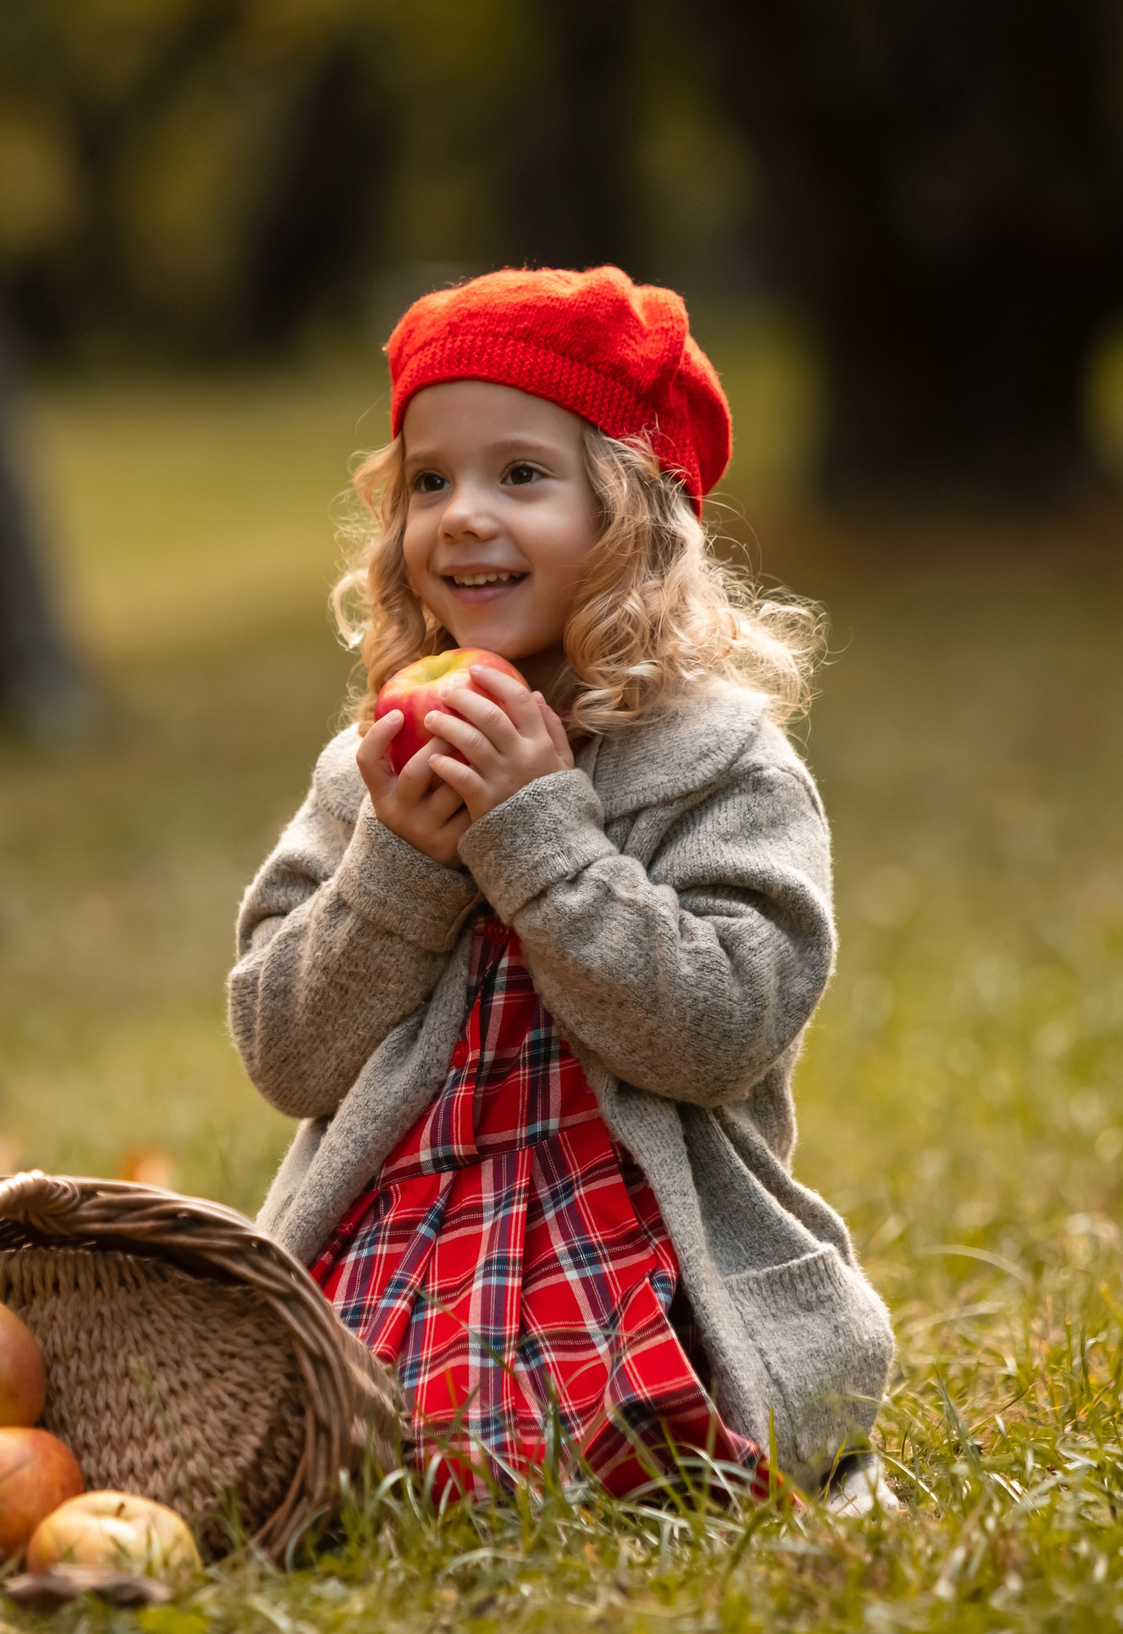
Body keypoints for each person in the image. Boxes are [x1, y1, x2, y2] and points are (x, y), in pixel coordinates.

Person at [227, 267, 893, 1500]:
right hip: (403, 1253)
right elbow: (286, 1054)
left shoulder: (723, 766)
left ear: (632, 517)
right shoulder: (372, 770)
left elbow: (717, 1033)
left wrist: (540, 838)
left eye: (519, 475)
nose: (463, 516)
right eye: (431, 481)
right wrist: (399, 867)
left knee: (631, 1453)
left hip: (631, 1261)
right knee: (298, 1459)